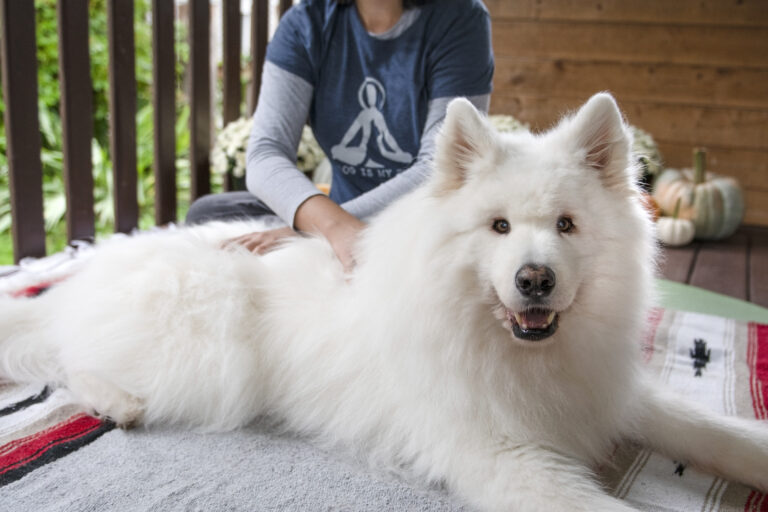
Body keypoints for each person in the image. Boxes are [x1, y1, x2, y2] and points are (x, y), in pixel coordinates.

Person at [186, 0, 494, 271]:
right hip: (341, 210)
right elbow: (266, 152)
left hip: (419, 216)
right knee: (209, 213)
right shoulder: (305, 24)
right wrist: (330, 225)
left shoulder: (461, 17)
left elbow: (436, 168)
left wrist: (315, 228)